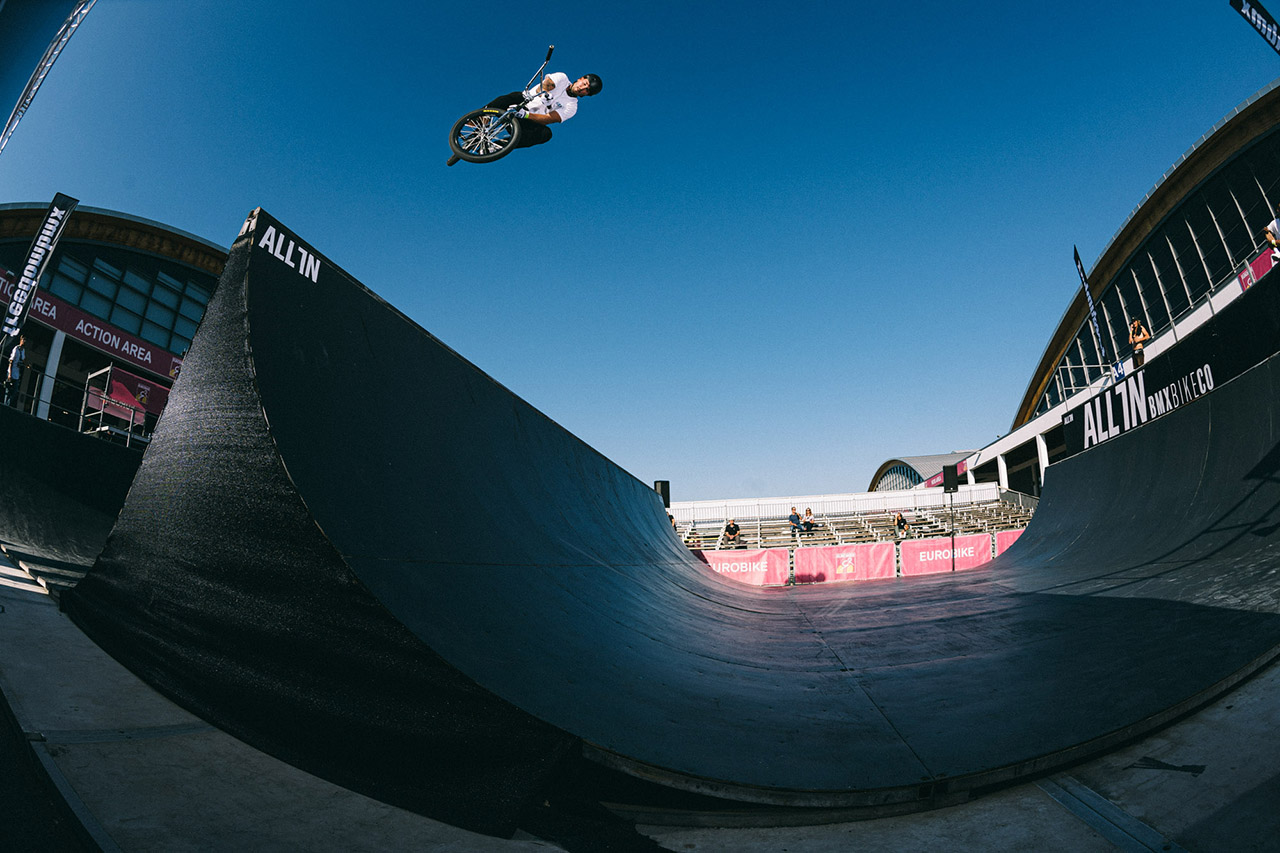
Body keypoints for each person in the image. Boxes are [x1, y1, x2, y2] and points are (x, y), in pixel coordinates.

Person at [486, 71, 602, 151]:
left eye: (587, 90)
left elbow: (548, 119)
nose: (582, 88)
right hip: (521, 102)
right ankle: (479, 121)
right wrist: (545, 94)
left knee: (546, 134)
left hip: (527, 119)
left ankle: (498, 147)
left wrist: (525, 115)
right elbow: (546, 84)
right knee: (512, 97)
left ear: (586, 95)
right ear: (581, 78)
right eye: (584, 84)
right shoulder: (562, 78)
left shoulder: (571, 107)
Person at [4, 335, 25, 408]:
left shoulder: (23, 350)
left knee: (15, 391)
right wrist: (9, 373)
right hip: (11, 372)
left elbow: (23, 360)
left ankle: (8, 404)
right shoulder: (16, 349)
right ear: (21, 340)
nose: (24, 342)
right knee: (8, 390)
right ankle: (5, 404)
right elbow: (11, 361)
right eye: (23, 340)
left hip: (17, 373)